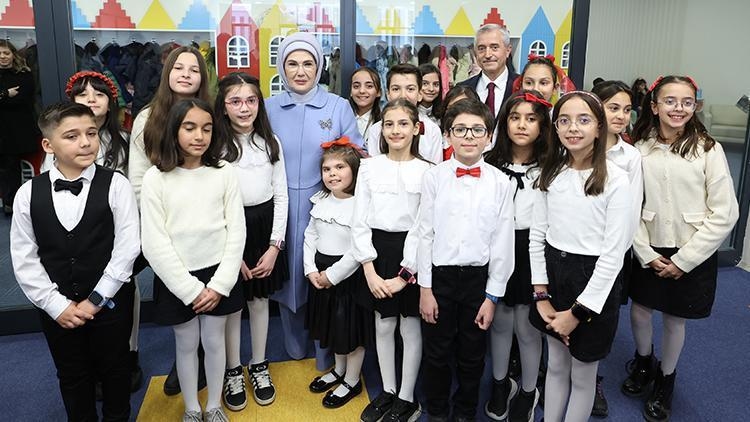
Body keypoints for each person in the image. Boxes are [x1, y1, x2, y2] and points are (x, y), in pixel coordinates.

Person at [10, 102, 140, 421]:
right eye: (71, 136)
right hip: (57, 308)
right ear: (48, 145)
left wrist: (97, 299)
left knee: (116, 369)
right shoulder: (27, 194)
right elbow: (24, 258)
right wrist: (55, 305)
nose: (85, 142)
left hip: (109, 303)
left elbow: (127, 248)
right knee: (71, 374)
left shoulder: (117, 184)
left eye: (91, 133)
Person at [623, 76, 738, 422]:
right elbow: (628, 207)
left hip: (693, 249)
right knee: (640, 312)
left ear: (695, 107)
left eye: (686, 102)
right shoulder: (638, 149)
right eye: (670, 101)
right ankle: (644, 362)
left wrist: (685, 260)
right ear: (654, 106)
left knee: (675, 319)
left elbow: (725, 211)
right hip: (649, 243)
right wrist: (645, 252)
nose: (678, 108)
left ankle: (666, 381)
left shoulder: (708, 149)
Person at [528, 91, 632, 422]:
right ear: (555, 128)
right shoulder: (551, 172)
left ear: (600, 128)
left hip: (593, 285)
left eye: (583, 120)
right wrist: (541, 295)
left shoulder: (616, 179)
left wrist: (576, 312)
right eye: (564, 120)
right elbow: (536, 238)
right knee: (556, 365)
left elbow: (613, 256)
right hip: (555, 276)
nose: (573, 127)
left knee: (583, 375)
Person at [140, 98, 245, 422]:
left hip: (218, 274)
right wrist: (189, 290)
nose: (199, 136)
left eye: (207, 128)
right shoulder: (156, 178)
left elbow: (236, 231)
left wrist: (219, 284)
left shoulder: (224, 172)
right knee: (185, 345)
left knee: (214, 342)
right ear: (173, 131)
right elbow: (154, 243)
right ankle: (191, 408)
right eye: (190, 127)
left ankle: (213, 404)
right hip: (177, 277)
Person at [265, 32, 363, 370]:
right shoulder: (268, 107)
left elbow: (355, 154)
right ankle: (293, 346)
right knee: (287, 276)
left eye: (308, 63)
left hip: (327, 204)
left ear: (320, 66)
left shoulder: (338, 106)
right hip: (280, 205)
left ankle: (326, 352)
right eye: (292, 63)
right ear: (282, 67)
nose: (300, 70)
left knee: (324, 274)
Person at [42, 70, 143, 393]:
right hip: (75, 240)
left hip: (117, 236)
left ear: (110, 101)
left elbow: (134, 188)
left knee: (125, 296)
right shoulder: (55, 150)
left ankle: (128, 355)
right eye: (83, 94)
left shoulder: (124, 141)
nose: (91, 99)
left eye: (98, 94)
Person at [418, 98, 515, 421]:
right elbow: (425, 234)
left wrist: (492, 297)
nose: (469, 136)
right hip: (439, 277)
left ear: (489, 136)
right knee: (436, 351)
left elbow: (503, 243)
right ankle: (436, 408)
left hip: (478, 281)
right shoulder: (434, 177)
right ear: (447, 136)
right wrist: (425, 289)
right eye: (460, 129)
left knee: (472, 354)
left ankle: (465, 411)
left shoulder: (502, 183)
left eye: (477, 130)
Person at [127, 45, 211, 395]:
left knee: (210, 294)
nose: (187, 74)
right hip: (165, 222)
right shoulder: (149, 118)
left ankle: (202, 360)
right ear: (168, 73)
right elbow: (138, 178)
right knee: (180, 298)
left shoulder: (212, 114)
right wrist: (149, 225)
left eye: (194, 69)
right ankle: (185, 359)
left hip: (206, 223)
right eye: (180, 67)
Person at [214, 72, 289, 410]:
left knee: (260, 301)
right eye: (235, 101)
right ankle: (232, 369)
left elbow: (281, 196)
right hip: (228, 230)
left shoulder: (271, 141)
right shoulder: (214, 144)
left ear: (260, 104)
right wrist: (229, 252)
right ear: (223, 106)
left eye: (251, 100)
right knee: (232, 307)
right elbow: (211, 200)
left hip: (263, 228)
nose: (244, 108)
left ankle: (258, 364)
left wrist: (275, 246)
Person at [354, 99, 432, 422]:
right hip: (376, 252)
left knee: (409, 328)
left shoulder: (428, 171)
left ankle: (407, 396)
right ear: (381, 129)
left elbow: (422, 227)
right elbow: (359, 221)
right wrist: (369, 270)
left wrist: (405, 274)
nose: (396, 130)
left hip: (411, 255)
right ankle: (387, 390)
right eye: (389, 124)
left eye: (403, 124)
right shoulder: (370, 167)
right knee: (383, 325)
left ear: (415, 129)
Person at [483, 90, 552, 422]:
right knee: (499, 324)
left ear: (542, 125)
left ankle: (528, 390)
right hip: (497, 247)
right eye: (514, 117)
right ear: (504, 122)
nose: (522, 125)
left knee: (527, 328)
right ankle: (499, 384)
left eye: (531, 118)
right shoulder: (488, 162)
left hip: (532, 250)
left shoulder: (553, 166)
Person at [589, 80, 643, 418]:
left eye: (626, 109)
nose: (621, 116)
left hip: (608, 255)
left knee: (597, 320)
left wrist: (613, 258)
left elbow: (631, 213)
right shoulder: (573, 145)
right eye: (613, 108)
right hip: (569, 251)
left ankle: (592, 379)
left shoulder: (631, 156)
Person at [305, 139, 370, 409]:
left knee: (351, 332)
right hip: (320, 275)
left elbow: (358, 249)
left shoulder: (360, 205)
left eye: (340, 167)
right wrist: (310, 269)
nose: (332, 173)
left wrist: (332, 275)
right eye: (327, 169)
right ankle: (339, 370)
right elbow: (311, 235)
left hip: (347, 279)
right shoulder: (320, 201)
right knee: (334, 328)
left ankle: (353, 379)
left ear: (354, 170)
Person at [366, 64, 443, 164]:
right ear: (388, 94)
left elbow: (435, 171)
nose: (403, 95)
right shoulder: (376, 130)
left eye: (410, 89)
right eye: (396, 89)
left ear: (420, 94)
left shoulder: (432, 130)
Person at [0, 39, 39, 215]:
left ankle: (11, 203)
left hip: (17, 130)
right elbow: (11, 98)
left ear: (13, 55)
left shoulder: (23, 74)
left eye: (6, 53)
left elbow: (22, 99)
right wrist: (6, 94)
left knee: (11, 166)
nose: (3, 57)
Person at [457, 24, 519, 118]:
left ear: (508, 50)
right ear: (475, 52)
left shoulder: (522, 86)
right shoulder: (462, 89)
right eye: (481, 48)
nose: (488, 54)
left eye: (494, 47)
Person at [349, 67, 382, 140]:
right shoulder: (341, 118)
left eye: (369, 86)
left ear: (379, 92)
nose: (362, 91)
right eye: (356, 86)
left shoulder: (383, 122)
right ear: (350, 92)